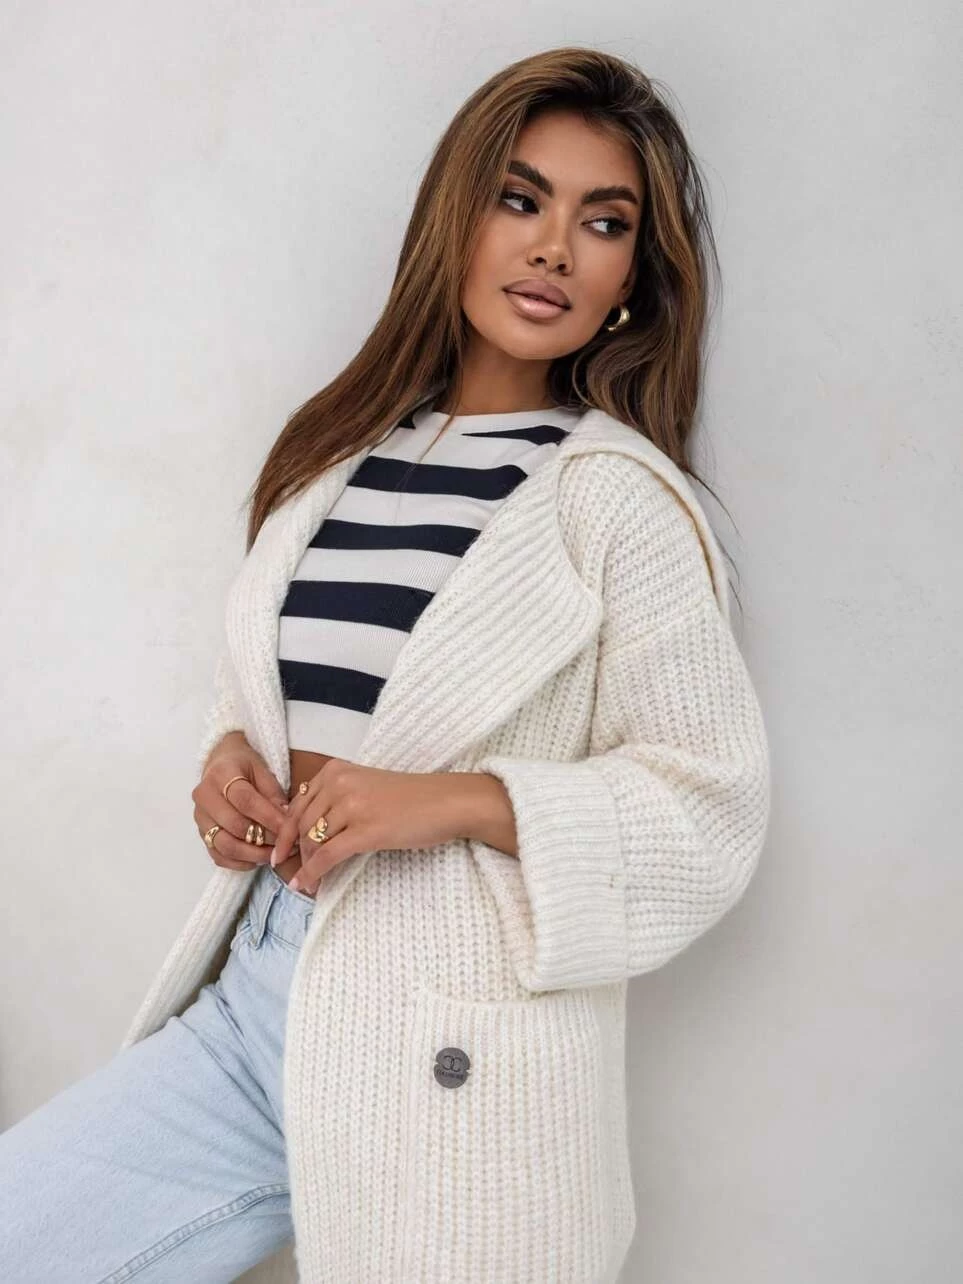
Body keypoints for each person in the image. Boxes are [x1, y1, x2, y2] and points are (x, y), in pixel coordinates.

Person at [0, 45, 771, 1284]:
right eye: (520, 199)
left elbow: (708, 811)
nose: (555, 249)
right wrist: (228, 763)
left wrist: (450, 802)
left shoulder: (619, 502)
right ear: (456, 217)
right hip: (260, 994)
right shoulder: (337, 458)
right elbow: (269, 693)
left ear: (633, 277)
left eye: (603, 223)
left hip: (453, 1036)